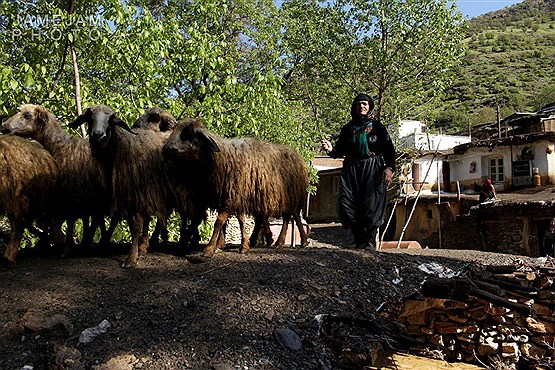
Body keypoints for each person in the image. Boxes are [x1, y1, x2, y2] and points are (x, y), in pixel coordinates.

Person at [321, 93, 395, 251]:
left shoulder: (378, 128)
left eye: (365, 104)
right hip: (351, 169)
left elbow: (389, 150)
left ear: (369, 107)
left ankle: (369, 241)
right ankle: (358, 239)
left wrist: (389, 168)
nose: (362, 106)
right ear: (355, 107)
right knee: (346, 202)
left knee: (371, 204)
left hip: (372, 168)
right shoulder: (348, 128)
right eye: (359, 104)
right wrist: (330, 149)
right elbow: (339, 151)